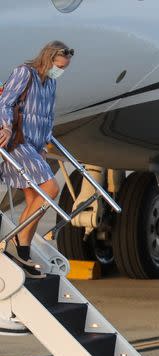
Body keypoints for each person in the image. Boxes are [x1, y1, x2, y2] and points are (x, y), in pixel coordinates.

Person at [0, 41, 73, 278]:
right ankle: (18, 240)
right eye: (59, 66)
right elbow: (6, 102)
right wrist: (6, 128)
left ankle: (23, 251)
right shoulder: (25, 73)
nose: (60, 71)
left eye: (64, 67)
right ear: (48, 59)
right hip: (17, 143)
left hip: (35, 146)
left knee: (34, 197)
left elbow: (48, 115)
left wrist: (45, 144)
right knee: (50, 190)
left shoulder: (50, 82)